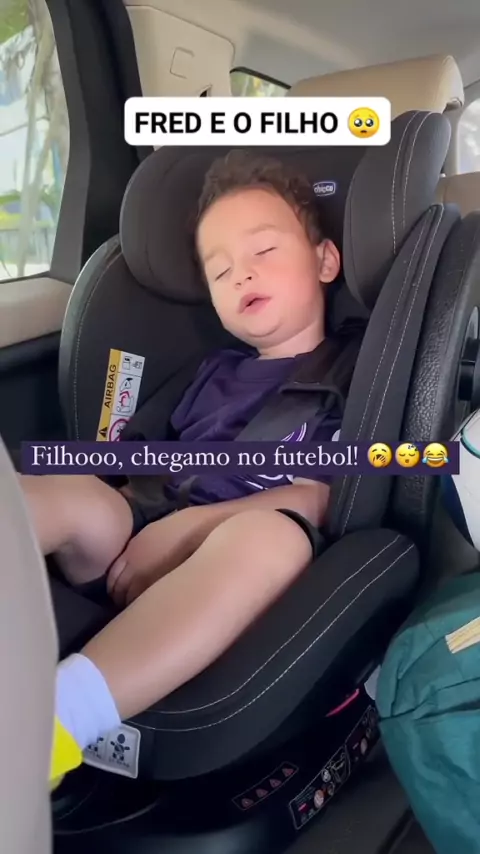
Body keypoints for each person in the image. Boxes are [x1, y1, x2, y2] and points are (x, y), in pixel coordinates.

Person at [19, 150, 343, 786]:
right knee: (67, 494)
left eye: (264, 250)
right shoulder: (211, 372)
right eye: (220, 271)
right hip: (138, 532)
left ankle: (53, 726)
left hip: (240, 555)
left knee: (273, 537)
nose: (241, 273)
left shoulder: (354, 370)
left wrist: (190, 529)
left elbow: (317, 499)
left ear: (326, 260)